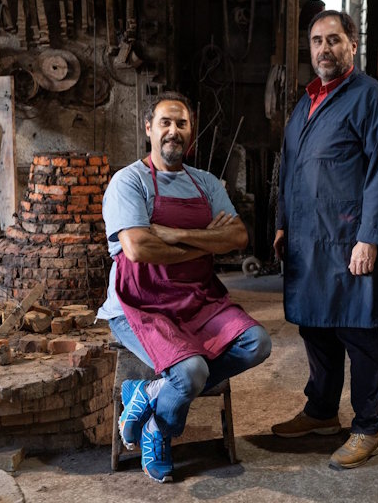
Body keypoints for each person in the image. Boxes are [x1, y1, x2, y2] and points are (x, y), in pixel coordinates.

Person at [97, 92, 271, 483]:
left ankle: (148, 396)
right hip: (140, 303)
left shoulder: (206, 183)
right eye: (165, 123)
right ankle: (162, 431)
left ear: (191, 133)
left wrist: (175, 234)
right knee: (192, 372)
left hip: (198, 298)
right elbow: (139, 248)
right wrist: (205, 241)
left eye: (182, 124)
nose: (173, 131)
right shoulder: (129, 181)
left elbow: (239, 237)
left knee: (257, 343)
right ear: (149, 129)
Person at [271, 10, 378, 470]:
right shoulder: (305, 101)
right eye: (315, 41)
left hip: (349, 242)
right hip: (308, 240)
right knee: (315, 327)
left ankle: (367, 427)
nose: (323, 49)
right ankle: (322, 412)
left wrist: (370, 238)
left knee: (357, 331)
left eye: (333, 40)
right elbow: (289, 168)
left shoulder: (372, 98)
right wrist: (282, 223)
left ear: (352, 43)